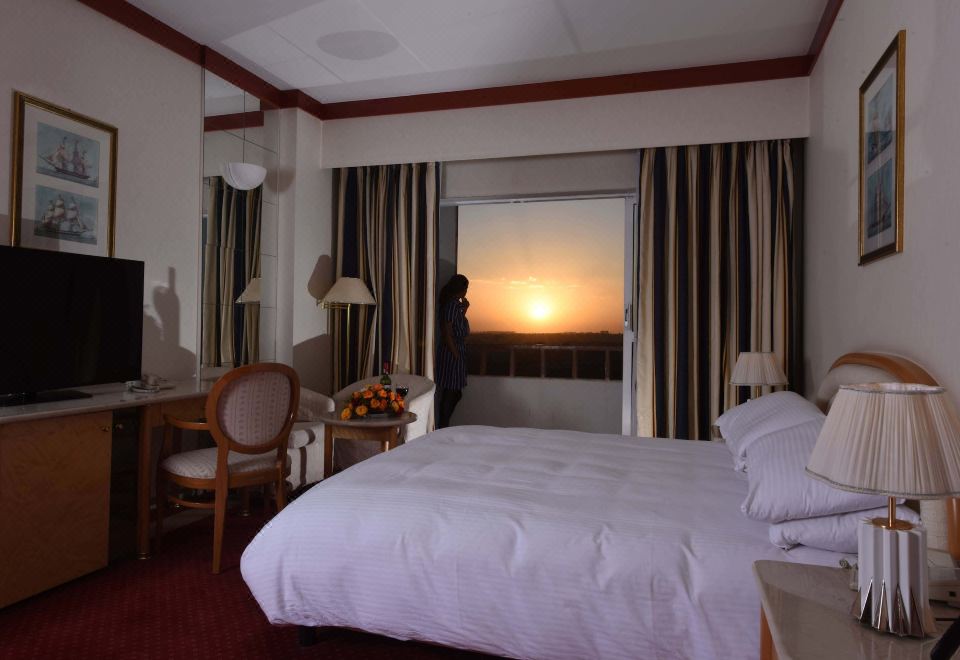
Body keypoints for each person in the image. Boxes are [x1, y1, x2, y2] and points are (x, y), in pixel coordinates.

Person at [436, 274, 469, 428]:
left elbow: (456, 323)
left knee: (454, 392)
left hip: (456, 351)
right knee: (451, 392)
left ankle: (444, 424)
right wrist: (455, 353)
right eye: (466, 288)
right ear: (461, 289)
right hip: (452, 352)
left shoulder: (455, 305)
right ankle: (443, 426)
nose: (467, 291)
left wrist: (465, 310)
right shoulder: (451, 305)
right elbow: (447, 332)